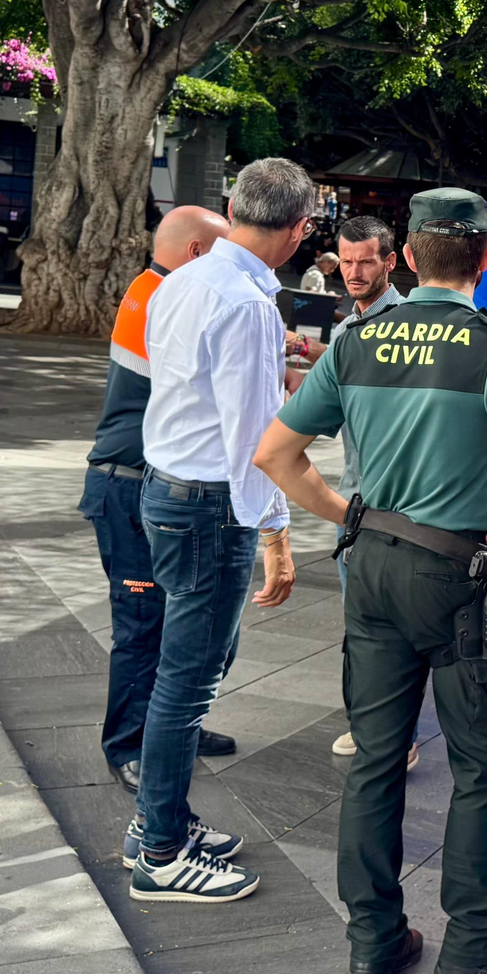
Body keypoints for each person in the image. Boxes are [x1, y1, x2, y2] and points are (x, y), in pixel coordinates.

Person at [255, 187, 487, 974]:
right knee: (481, 764)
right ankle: (473, 946)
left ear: (406, 258)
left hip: (371, 566)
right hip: (461, 578)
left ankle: (373, 943)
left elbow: (275, 453)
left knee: (374, 760)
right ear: (485, 259)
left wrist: (347, 513)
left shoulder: (357, 344)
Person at [126, 157, 312, 904]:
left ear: (233, 204)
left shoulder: (186, 279)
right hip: (207, 504)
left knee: (188, 668)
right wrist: (276, 533)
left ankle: (158, 821)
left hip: (168, 487)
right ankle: (162, 851)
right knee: (189, 679)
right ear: (300, 231)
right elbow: (252, 440)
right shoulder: (245, 304)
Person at [80, 204, 235, 794]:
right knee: (144, 624)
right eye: (221, 253)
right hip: (128, 483)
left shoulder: (156, 289)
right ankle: (128, 747)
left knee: (184, 621)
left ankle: (174, 728)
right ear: (196, 253)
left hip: (143, 479)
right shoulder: (165, 297)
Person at [319, 216, 416, 767]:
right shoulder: (343, 331)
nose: (353, 272)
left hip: (395, 500)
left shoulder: (406, 326)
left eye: (365, 262)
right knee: (358, 619)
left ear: (391, 262)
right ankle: (368, 724)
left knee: (391, 622)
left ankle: (391, 733)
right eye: (346, 261)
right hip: (352, 497)